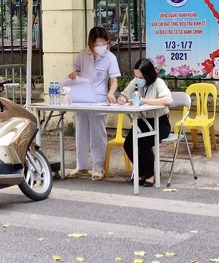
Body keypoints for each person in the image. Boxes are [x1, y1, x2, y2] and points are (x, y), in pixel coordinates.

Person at [65, 27, 120, 181]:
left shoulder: (110, 57)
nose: (101, 47)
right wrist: (74, 74)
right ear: (90, 43)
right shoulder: (84, 54)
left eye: (104, 43)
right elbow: (76, 70)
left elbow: (114, 80)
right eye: (97, 44)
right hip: (82, 98)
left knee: (98, 135)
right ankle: (81, 166)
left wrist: (110, 93)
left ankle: (98, 168)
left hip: (99, 100)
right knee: (81, 134)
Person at [116, 58, 172, 187]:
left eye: (140, 77)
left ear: (148, 75)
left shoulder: (158, 83)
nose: (138, 79)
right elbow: (125, 94)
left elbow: (168, 101)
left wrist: (145, 101)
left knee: (144, 143)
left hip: (159, 122)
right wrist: (122, 98)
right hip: (142, 121)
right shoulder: (136, 82)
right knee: (128, 144)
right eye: (136, 76)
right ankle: (142, 171)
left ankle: (151, 174)